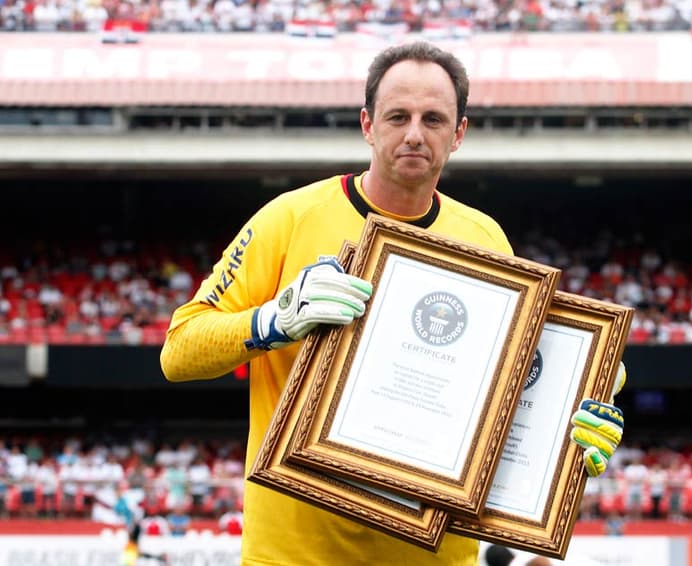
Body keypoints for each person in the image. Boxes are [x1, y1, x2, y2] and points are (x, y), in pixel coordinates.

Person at [160, 40, 625, 566]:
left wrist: (574, 428)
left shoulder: (485, 238)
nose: (413, 134)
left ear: (459, 134)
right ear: (367, 124)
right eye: (397, 116)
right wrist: (275, 320)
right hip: (293, 556)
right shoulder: (289, 219)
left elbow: (515, 386)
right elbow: (178, 350)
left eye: (433, 119)